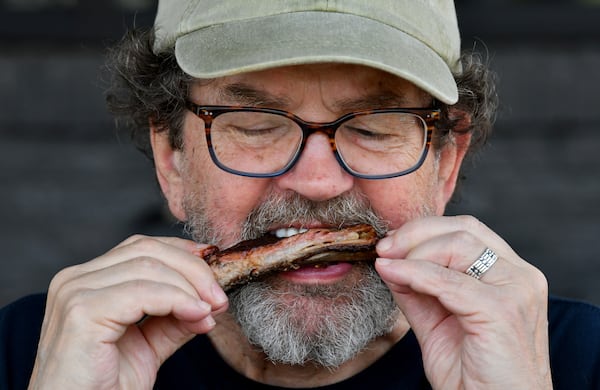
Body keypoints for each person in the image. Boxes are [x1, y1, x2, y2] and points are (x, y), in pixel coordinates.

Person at [1, 0, 599, 388]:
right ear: (172, 160)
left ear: (446, 163)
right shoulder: (31, 356)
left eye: (372, 127)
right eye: (257, 125)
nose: (318, 182)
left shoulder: (574, 362)